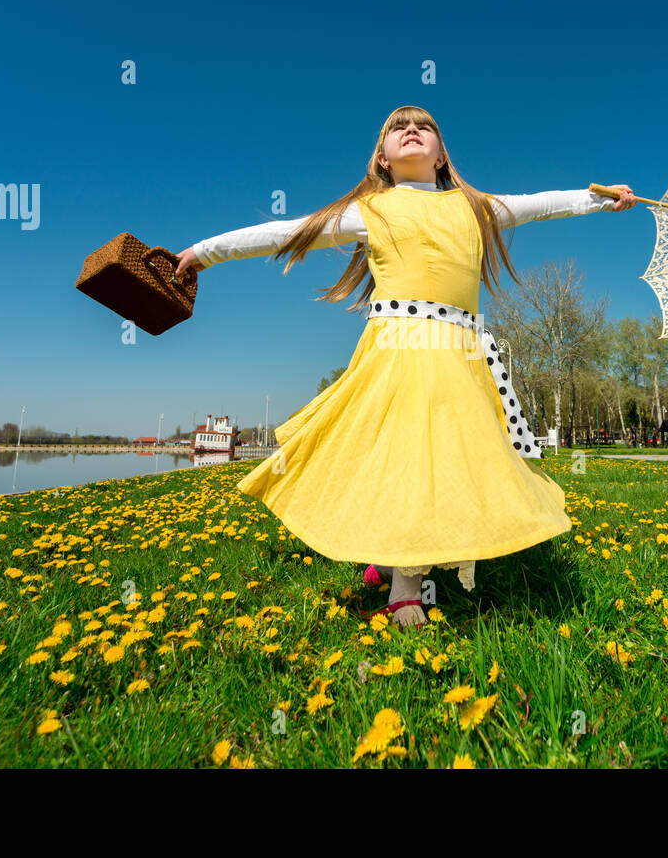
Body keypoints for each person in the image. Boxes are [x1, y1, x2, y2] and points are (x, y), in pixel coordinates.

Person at [173, 106, 635, 626]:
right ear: (383, 159)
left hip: (461, 354)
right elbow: (285, 231)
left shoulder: (475, 207)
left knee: (449, 460)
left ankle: (393, 554)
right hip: (398, 347)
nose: (411, 131)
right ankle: (406, 586)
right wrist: (203, 253)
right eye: (398, 128)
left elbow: (541, 204)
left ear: (442, 156)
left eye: (425, 127)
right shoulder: (370, 211)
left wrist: (600, 199)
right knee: (403, 455)